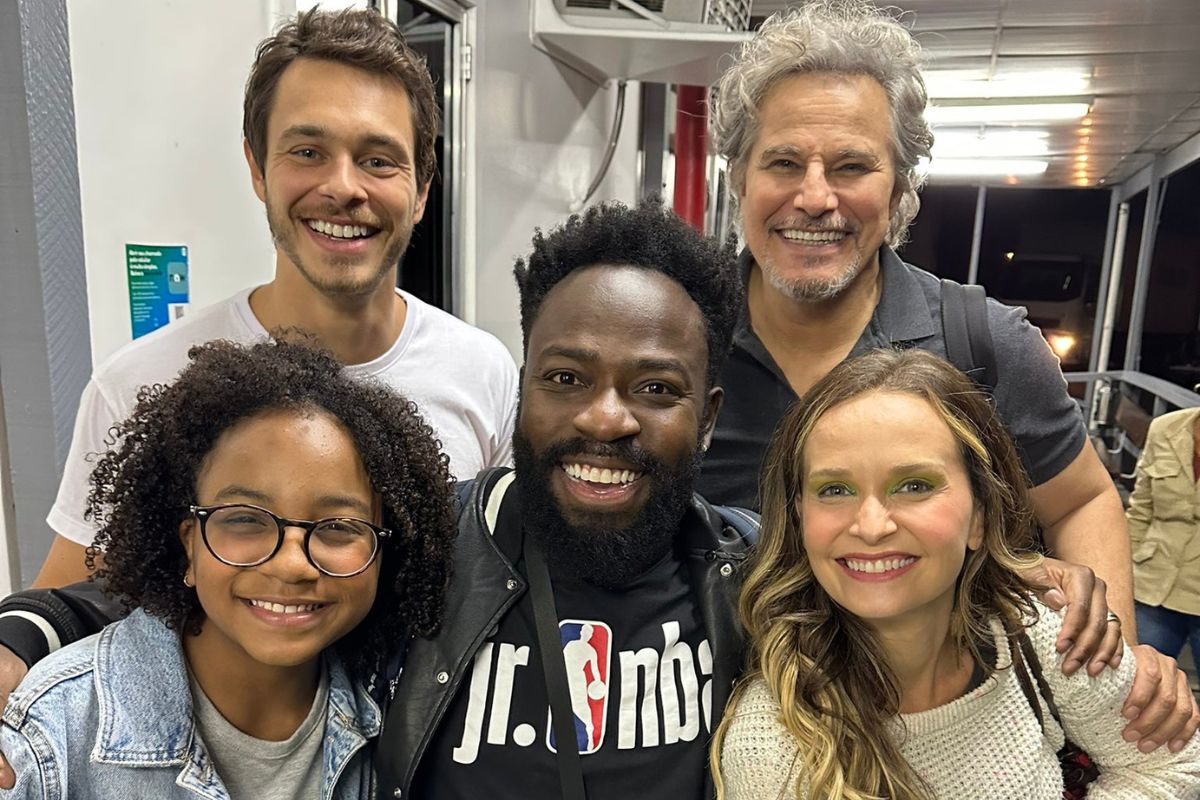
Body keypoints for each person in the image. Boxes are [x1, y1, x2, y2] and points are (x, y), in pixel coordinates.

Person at [0, 203, 1183, 797]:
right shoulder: (431, 545)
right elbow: (246, 563)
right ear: (524, 387)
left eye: (654, 387)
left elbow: (902, 578)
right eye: (566, 377)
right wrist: (33, 626)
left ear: (708, 417)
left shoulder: (761, 572)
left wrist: (1038, 585)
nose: (606, 415)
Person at [701, 0, 1141, 667]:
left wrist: (1111, 672)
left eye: (851, 167)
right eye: (783, 163)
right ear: (738, 176)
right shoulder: (681, 346)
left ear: (901, 186)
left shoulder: (983, 346)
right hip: (712, 740)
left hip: (933, 739)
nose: (816, 197)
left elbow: (1081, 499)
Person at [32, 7, 517, 592]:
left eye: (378, 160)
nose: (343, 187)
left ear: (420, 191)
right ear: (258, 169)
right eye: (308, 152)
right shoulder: (139, 386)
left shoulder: (483, 371)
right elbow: (65, 613)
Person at [714, 349, 1200, 800]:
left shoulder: (1044, 636)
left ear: (980, 516)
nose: (872, 526)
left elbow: (1173, 765)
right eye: (835, 489)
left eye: (913, 485)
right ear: (799, 518)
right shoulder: (771, 742)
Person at [0, 339, 457, 799]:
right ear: (189, 547)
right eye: (245, 520)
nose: (292, 564)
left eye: (338, 527)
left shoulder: (400, 710)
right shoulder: (48, 737)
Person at [1127, 407, 1200, 660]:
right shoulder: (1166, 428)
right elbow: (1140, 509)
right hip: (1153, 583)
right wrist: (1123, 572)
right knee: (1133, 685)